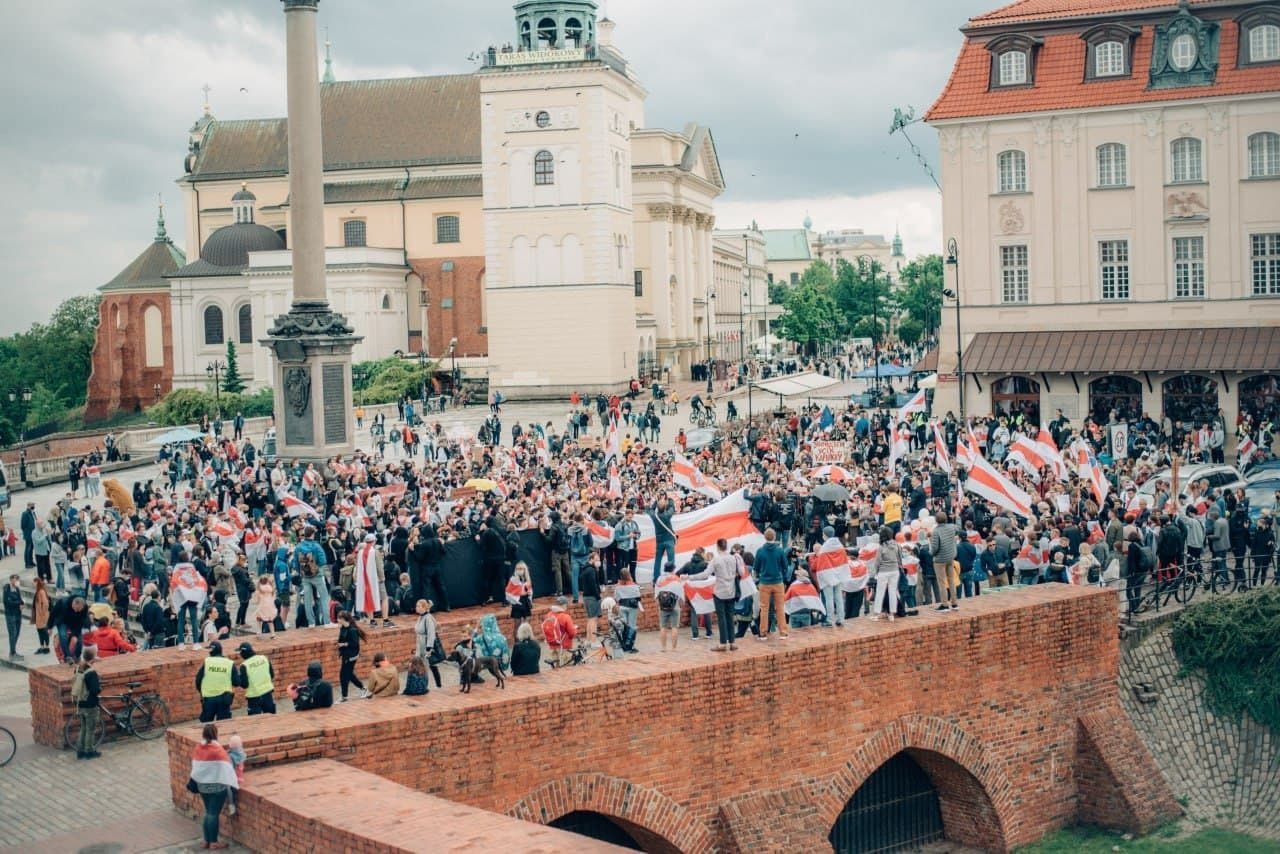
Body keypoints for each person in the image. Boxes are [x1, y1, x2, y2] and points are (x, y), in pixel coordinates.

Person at [187, 723, 237, 850]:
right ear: (216, 734)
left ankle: (206, 841)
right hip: (217, 788)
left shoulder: (198, 748)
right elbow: (228, 768)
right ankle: (214, 842)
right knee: (213, 814)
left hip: (202, 786)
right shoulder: (218, 750)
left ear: (203, 734)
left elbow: (196, 767)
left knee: (208, 812)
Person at [753, 528, 788, 640]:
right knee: (780, 607)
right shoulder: (780, 550)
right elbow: (785, 567)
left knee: (764, 608)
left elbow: (756, 568)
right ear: (774, 537)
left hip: (764, 582)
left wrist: (758, 577)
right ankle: (783, 632)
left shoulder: (760, 551)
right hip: (778, 581)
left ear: (765, 537)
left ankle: (763, 632)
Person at [71, 647, 102, 759]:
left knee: (83, 728)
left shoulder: (79, 668)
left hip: (81, 702)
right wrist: (99, 688)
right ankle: (89, 751)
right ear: (93, 658)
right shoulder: (91, 672)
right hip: (90, 704)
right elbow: (95, 690)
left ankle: (80, 750)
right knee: (90, 729)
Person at [196, 641, 235, 723]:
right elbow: (237, 682)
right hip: (224, 699)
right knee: (224, 725)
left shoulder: (207, 662)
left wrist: (201, 692)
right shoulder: (229, 663)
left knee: (206, 725)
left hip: (209, 700)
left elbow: (198, 680)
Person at [928, 512, 960, 612]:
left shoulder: (936, 531)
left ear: (936, 520)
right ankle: (954, 603)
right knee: (951, 580)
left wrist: (930, 551)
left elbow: (934, 548)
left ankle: (945, 604)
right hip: (950, 557)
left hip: (940, 560)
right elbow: (957, 529)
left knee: (941, 582)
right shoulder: (951, 527)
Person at [869, 526, 902, 622]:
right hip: (895, 570)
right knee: (893, 592)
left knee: (880, 592)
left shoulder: (881, 547)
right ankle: (892, 614)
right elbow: (899, 559)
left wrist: (874, 572)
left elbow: (877, 562)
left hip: (883, 571)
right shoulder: (896, 545)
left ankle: (876, 614)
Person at [336, 611, 370, 701]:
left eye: (339, 618)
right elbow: (340, 639)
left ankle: (344, 696)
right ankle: (363, 688)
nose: (337, 620)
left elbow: (355, 644)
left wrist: (344, 644)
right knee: (349, 674)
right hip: (345, 655)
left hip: (351, 656)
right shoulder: (343, 628)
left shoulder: (352, 630)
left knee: (343, 675)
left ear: (343, 619)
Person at [236, 642, 276, 715]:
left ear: (243, 653)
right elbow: (272, 675)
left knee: (254, 721)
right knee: (271, 720)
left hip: (254, 697)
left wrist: (238, 679)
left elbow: (245, 685)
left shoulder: (244, 665)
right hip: (268, 694)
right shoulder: (264, 658)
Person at [412, 599, 444, 689]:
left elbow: (431, 633)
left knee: (429, 665)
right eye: (416, 606)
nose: (416, 608)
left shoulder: (428, 618)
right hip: (420, 644)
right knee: (422, 665)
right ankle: (423, 684)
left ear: (424, 607)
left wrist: (429, 648)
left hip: (426, 644)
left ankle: (432, 685)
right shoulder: (421, 617)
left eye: (418, 606)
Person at [31, 576, 52, 655]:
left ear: (37, 582)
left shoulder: (41, 592)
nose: (33, 584)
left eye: (34, 582)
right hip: (39, 616)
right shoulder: (38, 591)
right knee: (40, 631)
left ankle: (46, 647)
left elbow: (46, 604)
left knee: (44, 631)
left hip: (42, 616)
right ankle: (42, 647)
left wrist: (42, 613)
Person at [4, 574, 22, 660]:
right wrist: (18, 602)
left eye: (17, 580)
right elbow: (7, 602)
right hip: (10, 614)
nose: (17, 581)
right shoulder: (7, 589)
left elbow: (20, 600)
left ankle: (13, 650)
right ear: (11, 580)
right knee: (13, 633)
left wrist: (21, 603)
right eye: (15, 580)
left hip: (18, 613)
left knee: (17, 632)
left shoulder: (17, 589)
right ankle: (12, 653)